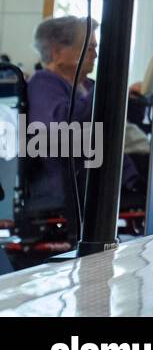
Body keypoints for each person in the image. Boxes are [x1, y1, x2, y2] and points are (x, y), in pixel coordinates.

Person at [26, 16, 145, 220]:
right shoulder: (43, 85)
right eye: (89, 49)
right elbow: (66, 126)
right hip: (72, 180)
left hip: (104, 172)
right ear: (57, 52)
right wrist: (106, 92)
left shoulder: (87, 86)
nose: (96, 55)